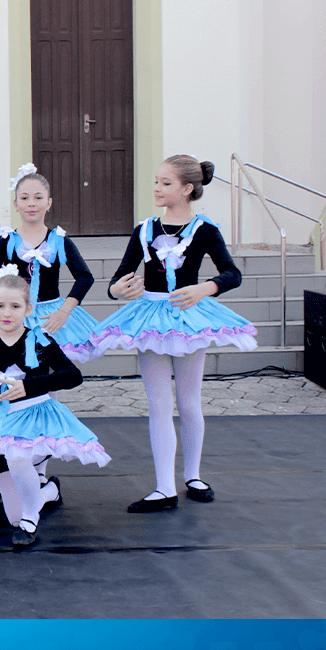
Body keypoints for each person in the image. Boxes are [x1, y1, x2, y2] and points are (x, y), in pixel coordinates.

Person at [90, 156, 257, 512]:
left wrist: (204, 288)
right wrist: (117, 290)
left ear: (187, 189)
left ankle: (192, 475)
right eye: (156, 180)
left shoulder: (204, 230)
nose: (156, 188)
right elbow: (120, 276)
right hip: (150, 318)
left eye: (165, 183)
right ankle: (164, 487)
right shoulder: (144, 229)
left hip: (187, 318)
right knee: (159, 404)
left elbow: (232, 273)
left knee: (189, 401)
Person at [0, 269, 110, 548]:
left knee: (19, 461)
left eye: (15, 306)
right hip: (1, 424)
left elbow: (73, 375)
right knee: (12, 516)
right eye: (0, 306)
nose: (7, 313)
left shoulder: (40, 339)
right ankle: (49, 491)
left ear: (28, 309)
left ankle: (31, 518)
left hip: (36, 419)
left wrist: (30, 386)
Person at [0, 164, 99, 510]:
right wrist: (4, 312)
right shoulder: (5, 241)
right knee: (3, 392)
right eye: (24, 197)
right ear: (15, 203)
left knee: (42, 398)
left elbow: (84, 277)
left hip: (49, 320)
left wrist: (64, 311)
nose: (31, 203)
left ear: (49, 202)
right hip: (11, 321)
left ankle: (39, 473)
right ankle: (6, 471)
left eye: (38, 197)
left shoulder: (59, 240)